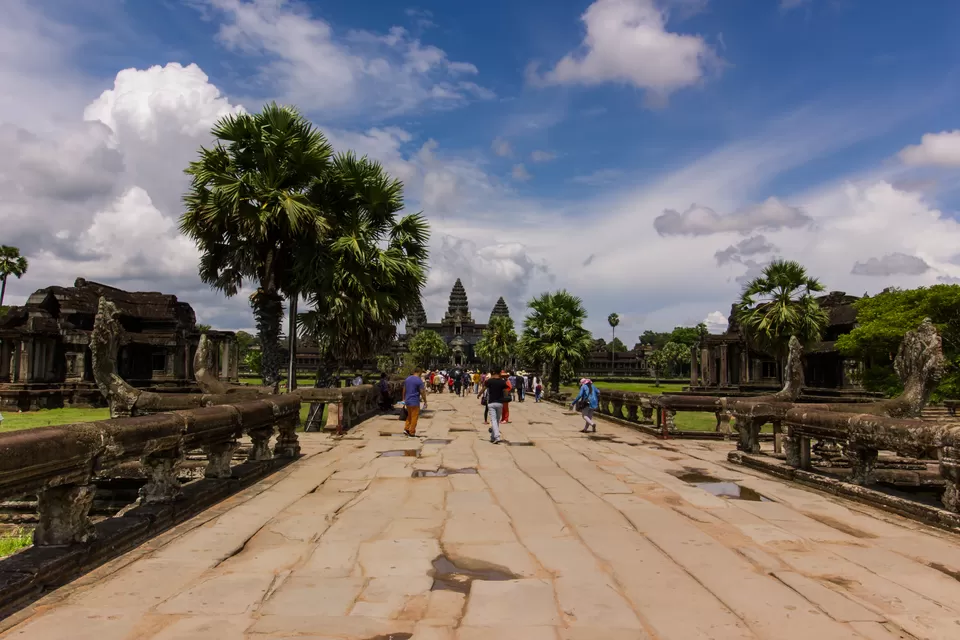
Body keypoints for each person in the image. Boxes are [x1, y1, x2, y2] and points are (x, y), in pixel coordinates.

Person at [482, 369, 508, 444]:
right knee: (496, 420)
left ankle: (497, 436)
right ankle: (493, 437)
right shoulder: (502, 381)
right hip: (500, 403)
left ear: (493, 373)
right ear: (499, 373)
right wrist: (505, 396)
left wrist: (479, 394)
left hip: (491, 403)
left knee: (493, 420)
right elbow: (506, 390)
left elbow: (484, 388)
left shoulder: (490, 381)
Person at [404, 367, 428, 437]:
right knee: (414, 417)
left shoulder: (407, 379)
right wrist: (425, 401)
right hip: (414, 401)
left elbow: (404, 389)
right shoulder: (419, 380)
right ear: (419, 372)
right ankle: (412, 432)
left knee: (409, 415)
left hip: (407, 400)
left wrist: (404, 399)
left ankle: (406, 428)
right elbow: (422, 391)